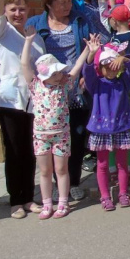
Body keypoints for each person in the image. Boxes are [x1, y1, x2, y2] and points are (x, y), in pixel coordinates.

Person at [26, 0, 112, 203]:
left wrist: (88, 71)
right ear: (49, 4)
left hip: (76, 88)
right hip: (49, 94)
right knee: (51, 140)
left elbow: (103, 40)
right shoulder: (36, 24)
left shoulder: (80, 20)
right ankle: (54, 184)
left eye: (68, 1)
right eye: (61, 3)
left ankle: (72, 182)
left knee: (75, 135)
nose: (67, 6)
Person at [0, 0, 45, 219]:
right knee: (14, 152)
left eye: (22, 9)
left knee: (31, 151)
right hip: (10, 102)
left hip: (34, 102)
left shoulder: (35, 37)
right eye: (13, 10)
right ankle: (16, 201)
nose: (18, 14)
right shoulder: (1, 32)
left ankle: (29, 197)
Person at [21, 29, 92, 219]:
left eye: (60, 71)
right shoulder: (35, 84)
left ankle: (63, 202)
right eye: (56, 72)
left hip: (61, 135)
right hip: (41, 135)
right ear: (47, 74)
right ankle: (47, 204)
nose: (60, 74)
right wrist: (28, 41)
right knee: (45, 171)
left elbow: (76, 67)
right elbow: (24, 64)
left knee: (61, 169)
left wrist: (87, 50)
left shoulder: (65, 84)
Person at [82, 37, 130, 211]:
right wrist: (92, 54)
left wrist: (124, 58)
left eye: (114, 66)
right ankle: (105, 196)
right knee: (102, 164)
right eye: (107, 66)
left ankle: (123, 193)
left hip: (121, 127)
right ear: (100, 67)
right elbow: (87, 71)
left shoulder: (123, 82)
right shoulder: (96, 84)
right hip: (101, 130)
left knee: (122, 163)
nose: (111, 70)